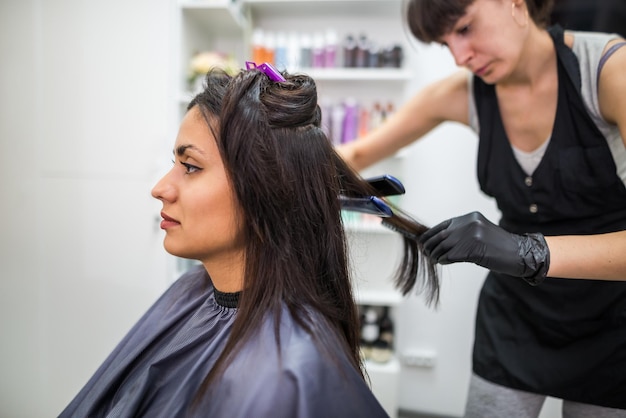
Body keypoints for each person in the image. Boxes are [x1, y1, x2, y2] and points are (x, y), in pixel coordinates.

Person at [58, 65, 438, 417]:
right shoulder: (192, 294)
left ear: (265, 191)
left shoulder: (289, 371)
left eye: (191, 167)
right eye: (175, 163)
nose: (161, 189)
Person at [338, 0, 626, 416]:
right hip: (516, 319)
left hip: (610, 321)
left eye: (466, 28)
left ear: (514, 3)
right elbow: (359, 152)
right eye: (445, 44)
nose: (459, 56)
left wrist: (527, 251)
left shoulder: (607, 71)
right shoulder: (466, 93)